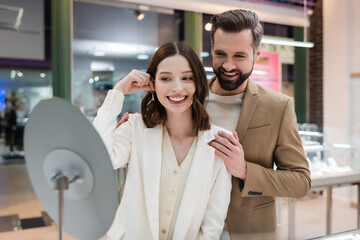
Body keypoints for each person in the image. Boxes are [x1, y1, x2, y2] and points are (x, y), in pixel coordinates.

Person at [93, 42, 232, 240]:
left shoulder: (218, 142)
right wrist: (117, 92)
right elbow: (100, 160)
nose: (177, 88)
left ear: (198, 83)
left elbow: (213, 222)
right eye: (166, 78)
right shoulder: (135, 127)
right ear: (153, 84)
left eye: (187, 78)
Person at [205, 9, 311, 239]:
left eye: (240, 56)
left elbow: (301, 182)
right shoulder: (188, 99)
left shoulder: (278, 106)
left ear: (257, 53)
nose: (228, 65)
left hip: (251, 233)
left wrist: (244, 171)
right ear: (211, 50)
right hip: (191, 231)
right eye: (221, 54)